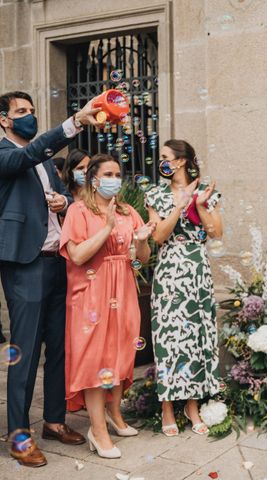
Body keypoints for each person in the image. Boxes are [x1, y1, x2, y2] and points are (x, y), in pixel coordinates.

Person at [0, 90, 102, 467]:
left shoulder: (45, 164)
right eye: (21, 112)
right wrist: (74, 121)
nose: (29, 116)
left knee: (60, 347)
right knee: (24, 354)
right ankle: (19, 435)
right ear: (4, 120)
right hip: (24, 264)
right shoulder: (7, 154)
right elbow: (28, 154)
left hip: (59, 262)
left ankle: (55, 421)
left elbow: (67, 198)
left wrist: (66, 203)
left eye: (32, 110)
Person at [60, 153, 154, 458]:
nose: (114, 179)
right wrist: (107, 226)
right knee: (94, 359)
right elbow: (77, 256)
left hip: (123, 287)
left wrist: (140, 241)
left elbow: (143, 258)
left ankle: (114, 415)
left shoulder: (128, 210)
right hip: (91, 292)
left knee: (120, 354)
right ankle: (97, 431)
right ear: (94, 179)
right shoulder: (78, 211)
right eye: (108, 174)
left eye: (118, 173)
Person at [145, 139, 222, 436]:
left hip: (197, 268)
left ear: (181, 161)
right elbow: (160, 236)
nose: (161, 161)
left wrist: (200, 205)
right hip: (169, 270)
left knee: (196, 334)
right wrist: (179, 204)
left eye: (165, 157)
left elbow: (216, 231)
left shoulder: (206, 191)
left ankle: (192, 404)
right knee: (168, 335)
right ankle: (167, 405)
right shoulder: (155, 193)